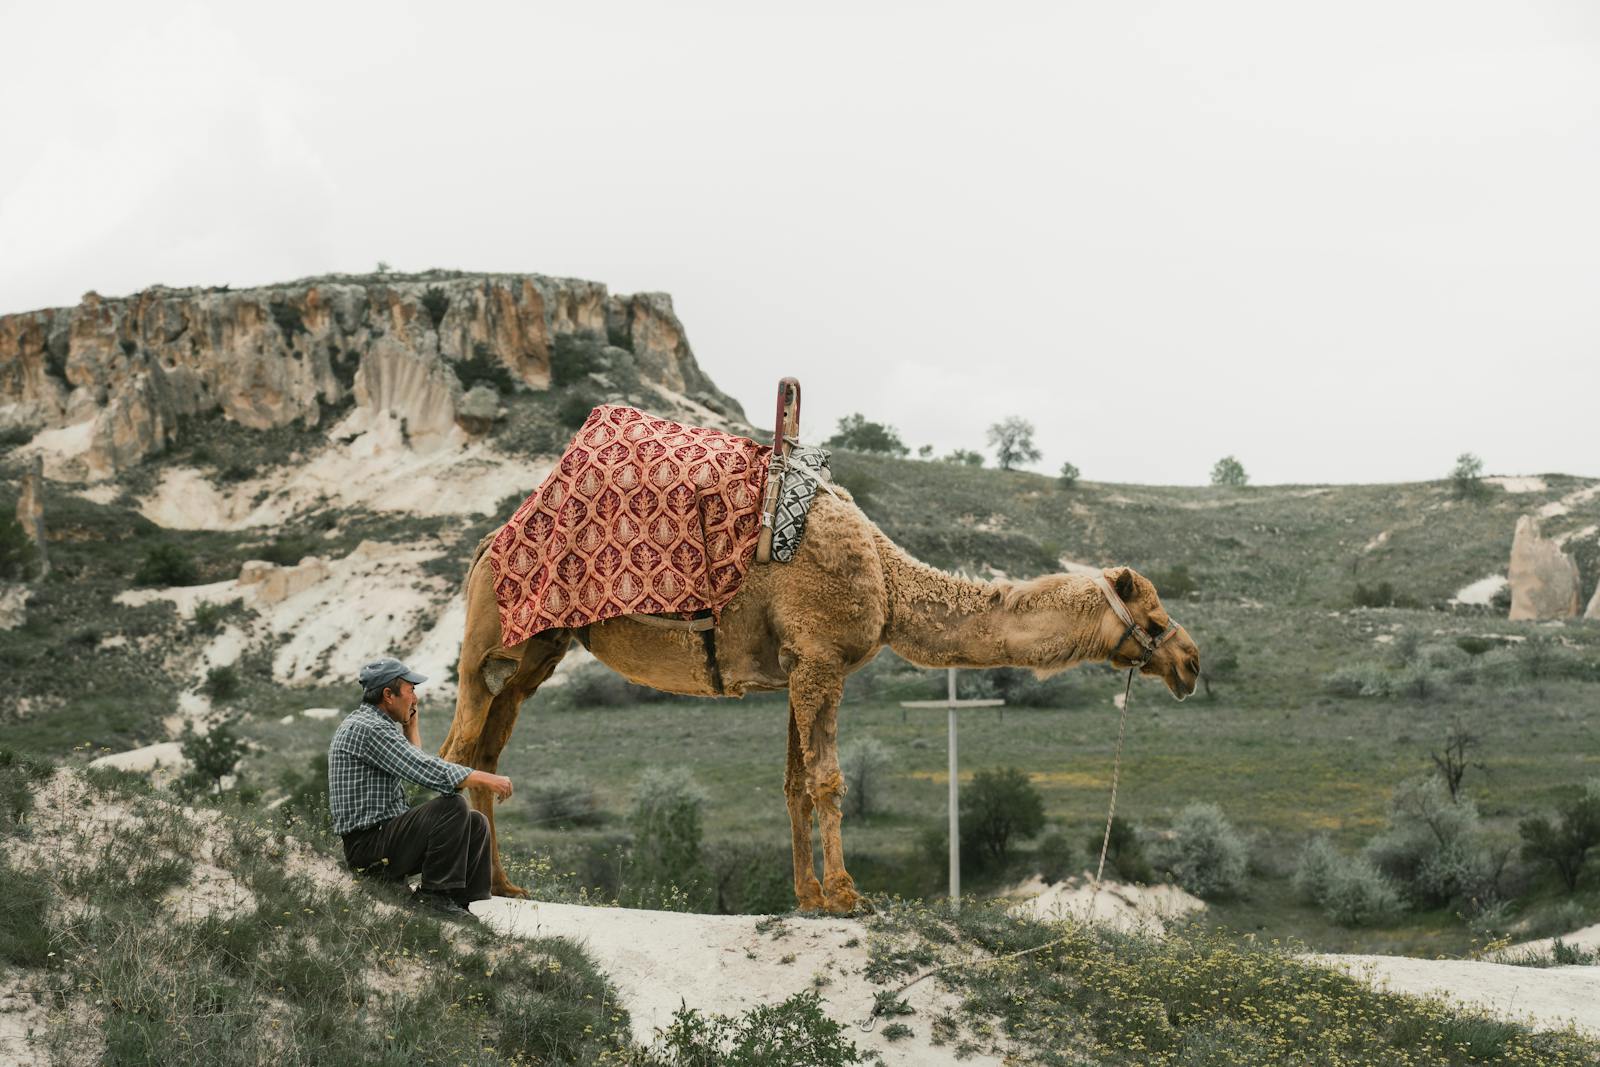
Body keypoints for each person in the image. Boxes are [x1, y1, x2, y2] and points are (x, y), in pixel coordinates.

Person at [328, 657, 513, 918]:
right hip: (368, 849)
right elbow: (425, 770)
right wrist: (486, 778)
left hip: (383, 839)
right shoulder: (369, 728)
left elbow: (414, 763)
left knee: (475, 822)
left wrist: (410, 728)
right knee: (453, 806)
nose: (415, 698)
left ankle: (456, 903)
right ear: (388, 695)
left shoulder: (374, 725)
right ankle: (433, 898)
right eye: (411, 690)